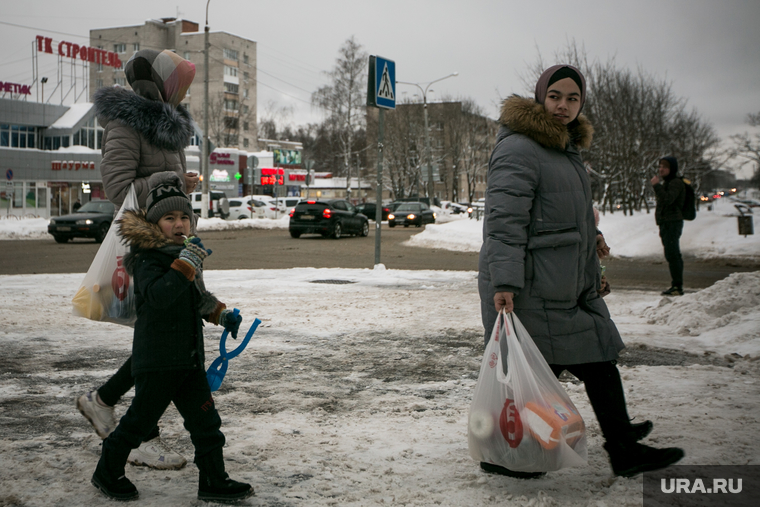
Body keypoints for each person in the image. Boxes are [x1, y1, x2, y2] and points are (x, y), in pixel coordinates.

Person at [478, 64, 684, 479]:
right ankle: (610, 447)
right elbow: (504, 222)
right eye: (555, 96)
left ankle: (521, 452)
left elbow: (565, 213)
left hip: (563, 283)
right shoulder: (520, 148)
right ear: (540, 97)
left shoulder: (562, 150)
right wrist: (504, 282)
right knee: (582, 364)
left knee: (574, 364)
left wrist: (594, 241)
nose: (563, 106)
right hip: (534, 285)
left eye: (573, 99)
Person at [91, 171, 250, 502]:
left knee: (206, 423)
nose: (179, 224)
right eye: (169, 218)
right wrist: (185, 265)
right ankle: (107, 471)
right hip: (159, 360)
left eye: (184, 217)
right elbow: (160, 297)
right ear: (154, 224)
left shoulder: (187, 252)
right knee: (138, 423)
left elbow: (197, 298)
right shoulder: (147, 258)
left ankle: (213, 480)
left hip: (189, 359)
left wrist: (221, 314)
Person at [76, 48, 200, 469]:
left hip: (171, 241)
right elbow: (116, 187)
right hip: (146, 246)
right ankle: (141, 438)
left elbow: (165, 186)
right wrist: (169, 181)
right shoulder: (126, 123)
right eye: (176, 83)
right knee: (159, 342)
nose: (181, 92)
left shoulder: (169, 127)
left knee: (158, 340)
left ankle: (104, 399)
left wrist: (183, 186)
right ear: (157, 83)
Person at [651, 156, 686, 296]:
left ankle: (677, 287)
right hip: (666, 223)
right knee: (671, 254)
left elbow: (668, 199)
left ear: (671, 169)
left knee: (673, 255)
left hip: (672, 223)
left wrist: (656, 186)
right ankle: (676, 285)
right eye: (659, 166)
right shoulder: (668, 182)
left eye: (664, 167)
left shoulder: (675, 183)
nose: (661, 169)